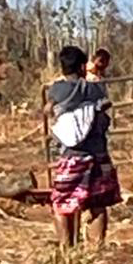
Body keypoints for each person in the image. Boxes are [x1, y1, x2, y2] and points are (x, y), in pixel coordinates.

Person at [48, 46, 121, 247]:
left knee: (62, 204)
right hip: (98, 154)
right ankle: (96, 252)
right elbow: (105, 109)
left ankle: (66, 250)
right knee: (98, 203)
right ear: (83, 66)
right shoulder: (96, 88)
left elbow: (49, 109)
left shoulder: (56, 89)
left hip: (72, 156)